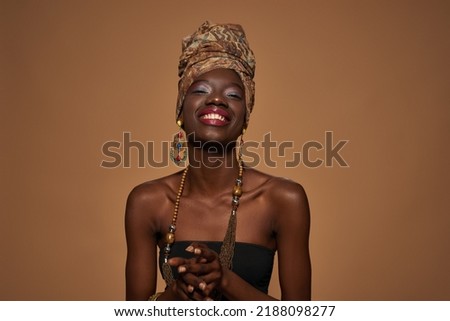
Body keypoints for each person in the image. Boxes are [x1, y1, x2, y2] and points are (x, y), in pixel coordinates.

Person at [125, 21, 311, 301]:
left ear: (245, 116)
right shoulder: (148, 201)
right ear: (180, 109)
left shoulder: (282, 199)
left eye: (233, 95)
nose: (216, 99)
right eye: (200, 90)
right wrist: (174, 295)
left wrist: (225, 280)